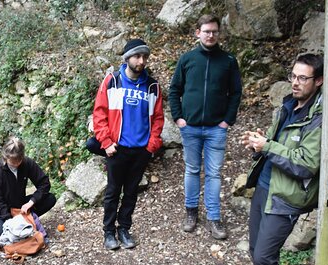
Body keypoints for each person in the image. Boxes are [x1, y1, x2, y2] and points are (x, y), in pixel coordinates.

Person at [232, 53, 323, 265]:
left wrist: (268, 146)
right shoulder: (286, 107)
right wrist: (256, 144)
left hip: (288, 196)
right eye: (293, 76)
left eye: (303, 78)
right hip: (265, 187)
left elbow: (306, 163)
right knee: (255, 250)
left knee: (265, 255)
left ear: (318, 81)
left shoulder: (318, 119)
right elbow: (271, 145)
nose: (295, 83)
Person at [168, 14, 243, 240]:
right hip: (190, 128)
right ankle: (191, 213)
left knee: (213, 174)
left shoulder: (228, 61)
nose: (210, 35)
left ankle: (214, 217)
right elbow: (174, 90)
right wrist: (179, 118)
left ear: (219, 33)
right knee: (192, 170)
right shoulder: (187, 59)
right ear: (197, 32)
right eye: (206, 31)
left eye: (214, 31)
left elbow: (235, 93)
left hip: (215, 130)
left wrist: (226, 121)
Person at [92, 38, 164, 250]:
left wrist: (152, 144)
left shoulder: (152, 86)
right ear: (127, 58)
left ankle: (124, 228)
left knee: (131, 192)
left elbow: (158, 118)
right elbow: (99, 114)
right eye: (137, 56)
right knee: (113, 191)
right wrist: (106, 142)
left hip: (141, 150)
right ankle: (108, 232)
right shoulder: (112, 81)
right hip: (117, 148)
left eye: (144, 57)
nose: (141, 61)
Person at [0, 136, 56, 242]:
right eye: (12, 161)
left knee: (50, 198)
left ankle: (26, 219)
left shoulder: (27, 163)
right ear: (5, 157)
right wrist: (12, 221)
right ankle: (25, 220)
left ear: (22, 156)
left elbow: (44, 184)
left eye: (19, 160)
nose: (16, 164)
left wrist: (31, 202)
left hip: (20, 204)